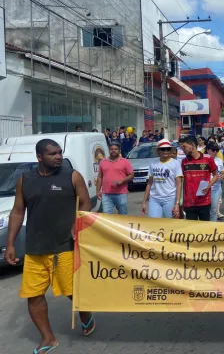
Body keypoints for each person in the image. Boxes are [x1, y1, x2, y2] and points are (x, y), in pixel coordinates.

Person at [5, 139, 95, 353]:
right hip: (35, 248)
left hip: (64, 246)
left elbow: (85, 202)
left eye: (60, 152)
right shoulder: (25, 180)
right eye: (52, 154)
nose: (58, 156)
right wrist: (10, 243)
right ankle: (48, 338)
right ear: (39, 157)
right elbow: (18, 211)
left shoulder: (71, 176)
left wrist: (78, 222)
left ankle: (85, 312)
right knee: (34, 295)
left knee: (73, 292)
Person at [180, 136, 219, 221]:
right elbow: (183, 183)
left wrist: (209, 185)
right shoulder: (184, 162)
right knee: (192, 232)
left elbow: (216, 175)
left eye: (184, 147)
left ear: (192, 145)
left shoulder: (208, 159)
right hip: (189, 203)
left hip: (204, 202)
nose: (182, 149)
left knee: (204, 231)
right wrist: (181, 201)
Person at [141, 139, 183, 219]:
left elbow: (178, 184)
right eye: (163, 149)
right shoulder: (153, 164)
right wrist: (144, 202)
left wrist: (177, 203)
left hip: (170, 198)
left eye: (168, 149)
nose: (166, 151)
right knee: (154, 223)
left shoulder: (175, 163)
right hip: (154, 199)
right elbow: (149, 183)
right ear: (159, 151)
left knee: (169, 223)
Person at [96, 143, 134, 215]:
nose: (113, 151)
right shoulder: (103, 162)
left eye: (116, 149)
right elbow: (99, 177)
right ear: (109, 150)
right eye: (111, 149)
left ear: (119, 150)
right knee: (107, 217)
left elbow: (131, 175)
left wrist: (123, 180)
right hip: (106, 194)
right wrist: (98, 191)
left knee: (123, 216)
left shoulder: (125, 162)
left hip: (121, 194)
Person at [206, 142, 224, 222]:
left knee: (214, 210)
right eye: (213, 150)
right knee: (205, 210)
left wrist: (222, 176)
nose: (215, 152)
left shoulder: (219, 160)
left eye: (217, 150)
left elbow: (222, 172)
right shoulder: (203, 159)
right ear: (207, 150)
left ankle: (212, 226)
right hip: (205, 188)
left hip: (216, 188)